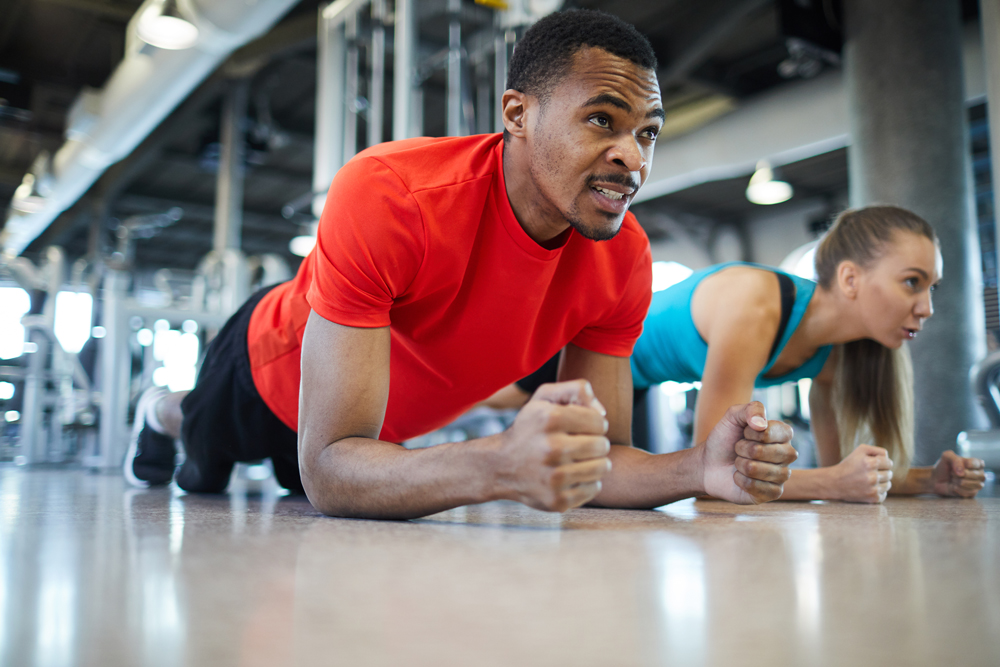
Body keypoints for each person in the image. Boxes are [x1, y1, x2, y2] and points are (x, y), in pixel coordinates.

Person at [125, 9, 798, 519]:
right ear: (517, 114)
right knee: (201, 461)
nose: (634, 155)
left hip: (372, 439)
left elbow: (602, 460)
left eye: (646, 132)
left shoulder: (623, 259)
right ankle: (154, 409)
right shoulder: (390, 193)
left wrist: (696, 467)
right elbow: (331, 470)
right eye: (602, 120)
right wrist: (500, 463)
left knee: (304, 489)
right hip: (269, 373)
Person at [498, 206, 987, 502]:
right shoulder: (755, 305)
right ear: (851, 280)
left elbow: (844, 472)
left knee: (609, 483)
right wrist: (832, 483)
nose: (927, 308)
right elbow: (721, 467)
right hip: (590, 347)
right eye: (912, 283)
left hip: (642, 382)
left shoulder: (840, 356)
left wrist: (925, 480)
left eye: (932, 288)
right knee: (482, 400)